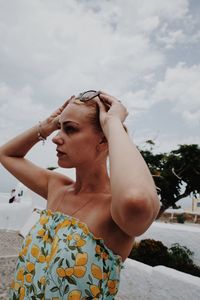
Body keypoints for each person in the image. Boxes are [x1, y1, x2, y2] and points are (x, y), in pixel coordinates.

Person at [0, 90, 160, 299]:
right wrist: (48, 124)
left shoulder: (114, 211)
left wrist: (113, 124)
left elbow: (136, 199)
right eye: (60, 128)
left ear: (103, 140)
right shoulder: (56, 186)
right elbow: (6, 154)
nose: (57, 138)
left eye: (70, 129)